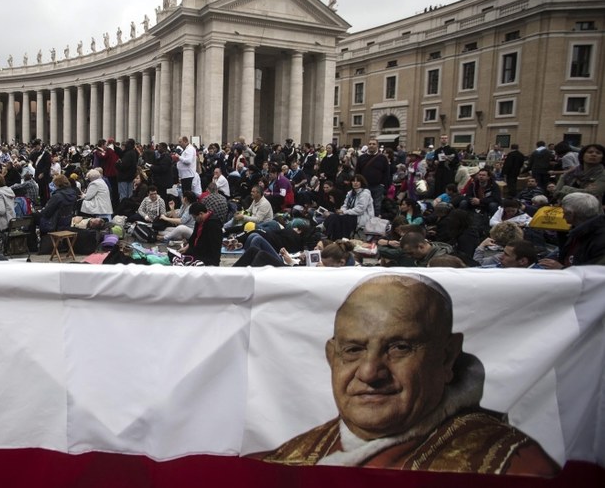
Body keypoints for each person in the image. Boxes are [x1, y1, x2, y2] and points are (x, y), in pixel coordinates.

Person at [256, 273, 559, 475]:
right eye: (353, 350)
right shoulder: (292, 452)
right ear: (331, 357)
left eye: (399, 347)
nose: (370, 372)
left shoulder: (513, 465)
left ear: (448, 356)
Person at [538, 192, 605, 268]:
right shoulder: (577, 231)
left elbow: (596, 274)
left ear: (570, 214)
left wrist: (561, 269)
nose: (563, 216)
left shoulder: (600, 240)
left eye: (563, 212)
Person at [322, 175, 373, 241]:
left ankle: (331, 236)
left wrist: (344, 212)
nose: (355, 183)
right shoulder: (350, 193)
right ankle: (332, 237)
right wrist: (341, 211)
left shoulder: (365, 193)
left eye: (357, 181)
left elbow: (360, 210)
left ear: (361, 182)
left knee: (340, 219)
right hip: (349, 214)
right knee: (334, 217)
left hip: (360, 217)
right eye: (353, 181)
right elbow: (345, 205)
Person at [180, 202, 223, 266]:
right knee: (174, 255)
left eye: (195, 217)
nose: (194, 220)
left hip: (206, 256)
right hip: (196, 251)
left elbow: (216, 245)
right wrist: (186, 248)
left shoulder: (213, 224)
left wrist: (214, 263)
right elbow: (194, 236)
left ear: (200, 214)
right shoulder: (199, 222)